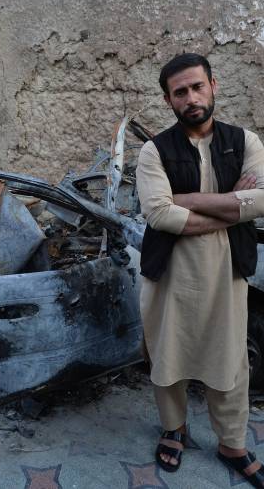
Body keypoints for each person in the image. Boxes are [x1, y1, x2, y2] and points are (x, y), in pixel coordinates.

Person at [136, 52, 264, 487]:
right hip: (170, 270)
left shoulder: (245, 141)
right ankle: (175, 429)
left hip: (227, 269)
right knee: (167, 353)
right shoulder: (154, 151)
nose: (190, 98)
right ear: (168, 100)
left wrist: (187, 200)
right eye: (180, 92)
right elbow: (159, 215)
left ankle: (231, 442)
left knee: (229, 360)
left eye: (197, 87)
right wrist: (232, 207)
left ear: (213, 85)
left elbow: (262, 200)